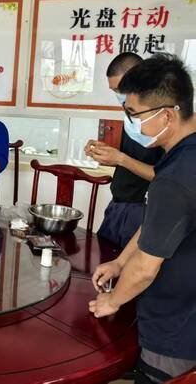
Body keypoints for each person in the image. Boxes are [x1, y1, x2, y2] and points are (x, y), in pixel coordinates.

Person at [89, 54, 196, 383]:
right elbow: (155, 225)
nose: (131, 123)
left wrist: (112, 300)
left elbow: (147, 267)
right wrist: (120, 262)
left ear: (167, 115)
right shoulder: (181, 155)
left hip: (176, 331)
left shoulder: (175, 177)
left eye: (134, 114)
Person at [84, 53, 164, 248]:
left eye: (121, 88)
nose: (119, 96)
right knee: (105, 259)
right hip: (118, 205)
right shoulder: (131, 114)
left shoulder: (161, 120)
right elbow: (132, 157)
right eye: (114, 90)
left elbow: (166, 176)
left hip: (142, 209)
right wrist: (107, 154)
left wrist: (120, 158)